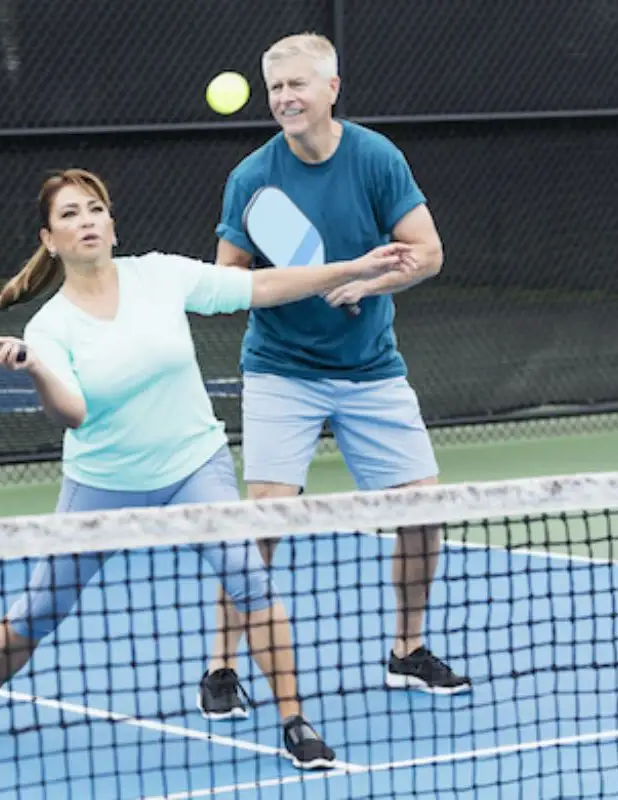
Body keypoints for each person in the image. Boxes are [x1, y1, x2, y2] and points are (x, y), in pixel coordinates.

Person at [0, 167, 415, 770]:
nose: (85, 221)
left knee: (250, 579)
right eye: (69, 214)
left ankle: (294, 720)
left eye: (95, 209)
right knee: (43, 606)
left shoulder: (161, 275)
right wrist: (34, 367)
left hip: (194, 464)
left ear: (112, 225)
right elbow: (74, 414)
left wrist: (354, 269)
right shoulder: (50, 327)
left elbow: (263, 286)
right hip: (103, 483)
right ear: (49, 238)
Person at [196, 32, 472, 722]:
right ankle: (222, 664)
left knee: (422, 512)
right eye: (276, 89)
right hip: (282, 370)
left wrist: (370, 279)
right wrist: (298, 282)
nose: (285, 99)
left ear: (331, 89)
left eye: (298, 85)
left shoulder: (377, 159)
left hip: (372, 368)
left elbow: (429, 253)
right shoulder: (253, 178)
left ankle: (407, 649)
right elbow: (226, 280)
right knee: (261, 522)